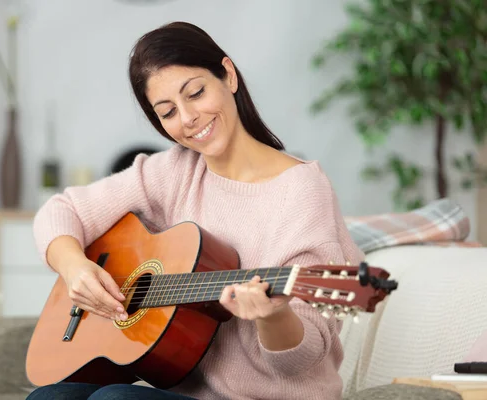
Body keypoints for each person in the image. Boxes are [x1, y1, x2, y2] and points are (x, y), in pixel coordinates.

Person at [27, 21, 364, 400]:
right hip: (185, 393)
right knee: (49, 397)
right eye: (168, 112)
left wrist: (273, 315)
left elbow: (300, 360)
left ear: (229, 76)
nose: (188, 119)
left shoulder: (302, 190)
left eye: (196, 93)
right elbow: (60, 210)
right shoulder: (175, 170)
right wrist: (75, 268)